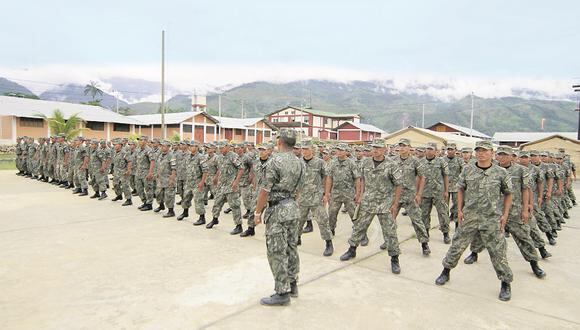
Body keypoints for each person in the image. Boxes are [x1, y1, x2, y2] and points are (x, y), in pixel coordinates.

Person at [435, 140, 514, 302]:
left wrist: (505, 215)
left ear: (492, 153)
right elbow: (460, 188)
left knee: (498, 252)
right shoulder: (467, 170)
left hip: (492, 218)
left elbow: (508, 194)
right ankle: (446, 271)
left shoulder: (500, 173)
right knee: (457, 246)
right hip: (469, 216)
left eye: (485, 151)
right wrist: (459, 208)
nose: (481, 153)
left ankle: (505, 282)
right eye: (478, 150)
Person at [254, 129, 304, 306]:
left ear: (280, 142)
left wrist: (258, 212)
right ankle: (293, 283)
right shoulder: (300, 162)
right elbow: (299, 189)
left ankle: (282, 293)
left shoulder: (274, 162)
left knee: (276, 251)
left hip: (277, 211)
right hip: (292, 208)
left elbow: (264, 191)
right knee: (291, 248)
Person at [339, 139, 403, 274]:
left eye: (379, 148)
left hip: (385, 203)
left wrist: (395, 204)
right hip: (368, 201)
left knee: (390, 232)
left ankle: (394, 259)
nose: (376, 150)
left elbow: (398, 184)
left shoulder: (392, 165)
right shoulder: (365, 162)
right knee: (359, 227)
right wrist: (360, 194)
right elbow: (362, 179)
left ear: (384, 150)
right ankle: (352, 250)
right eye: (374, 147)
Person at [297, 140, 334, 256]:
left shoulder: (320, 163)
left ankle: (329, 243)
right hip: (302, 197)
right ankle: (296, 238)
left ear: (312, 149)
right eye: (302, 149)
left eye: (307, 148)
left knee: (322, 220)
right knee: (298, 220)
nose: (304, 151)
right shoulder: (298, 162)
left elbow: (327, 177)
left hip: (316, 197)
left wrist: (326, 193)